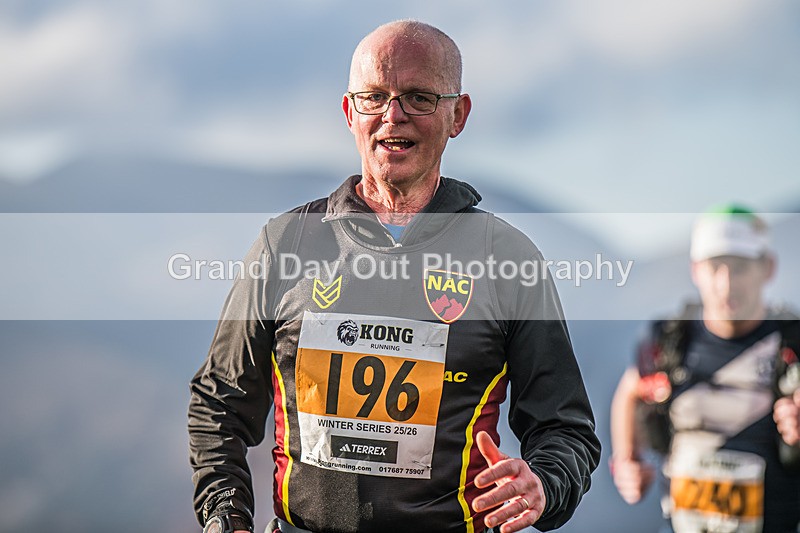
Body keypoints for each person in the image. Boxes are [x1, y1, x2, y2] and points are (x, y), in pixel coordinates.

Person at [189, 20, 600, 533]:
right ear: (348, 112)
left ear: (458, 114)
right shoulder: (287, 244)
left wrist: (544, 484)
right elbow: (218, 404)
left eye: (419, 97)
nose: (392, 116)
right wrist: (225, 517)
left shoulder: (507, 259)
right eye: (374, 97)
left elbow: (566, 429)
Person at [609, 205, 800, 532]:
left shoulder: (792, 343)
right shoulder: (670, 341)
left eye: (740, 268)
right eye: (715, 267)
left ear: (767, 268)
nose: (726, 284)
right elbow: (630, 390)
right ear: (696, 270)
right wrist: (627, 460)